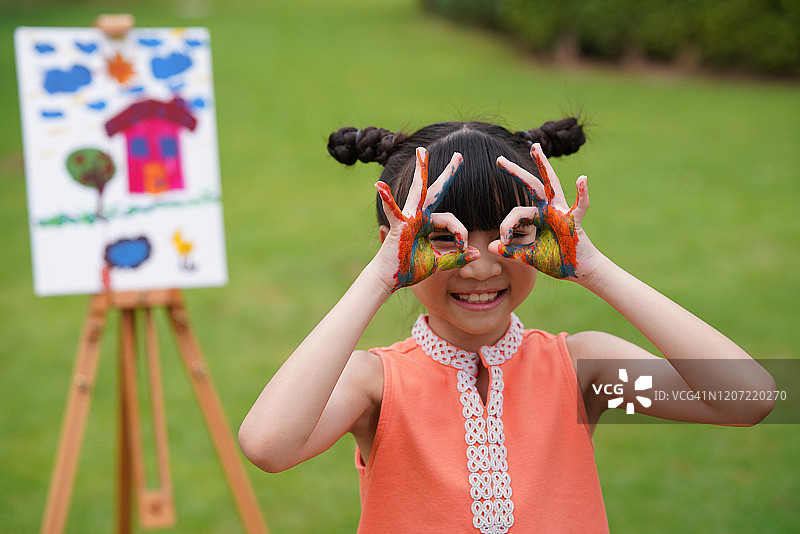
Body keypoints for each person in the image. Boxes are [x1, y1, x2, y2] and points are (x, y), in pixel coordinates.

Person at [238, 119, 775, 533]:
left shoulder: (583, 371)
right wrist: (379, 278)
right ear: (395, 247)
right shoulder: (375, 386)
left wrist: (594, 268)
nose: (481, 264)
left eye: (510, 233)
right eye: (444, 237)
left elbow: (746, 398)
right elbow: (268, 445)